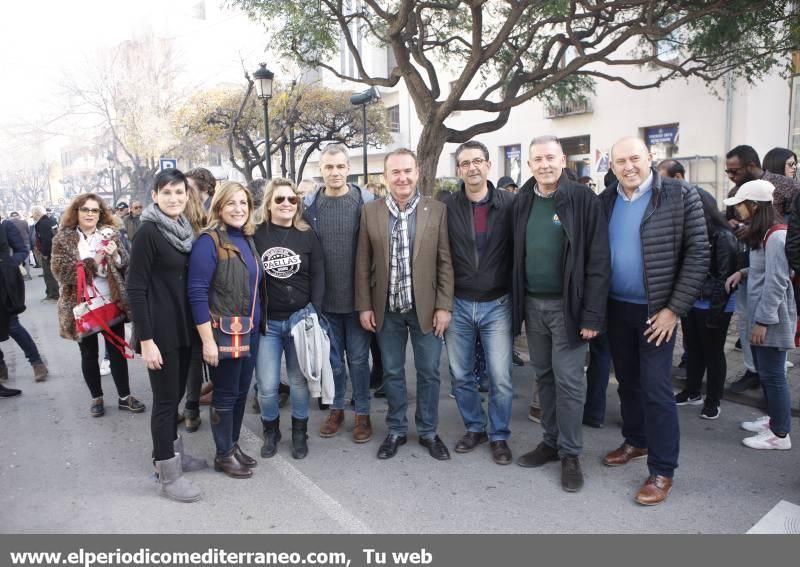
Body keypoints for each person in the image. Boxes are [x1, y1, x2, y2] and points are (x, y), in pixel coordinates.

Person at [599, 137, 708, 506]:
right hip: (616, 308)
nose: (628, 166)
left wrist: (674, 309)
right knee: (627, 380)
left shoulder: (679, 194)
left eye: (635, 158)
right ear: (611, 167)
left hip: (657, 312)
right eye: (620, 161)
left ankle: (663, 470)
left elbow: (698, 254)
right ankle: (636, 440)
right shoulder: (606, 200)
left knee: (656, 387)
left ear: (650, 158)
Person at [511, 135, 610, 492]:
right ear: (529, 165)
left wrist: (592, 316)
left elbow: (598, 260)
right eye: (537, 159)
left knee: (569, 382)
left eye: (551, 158)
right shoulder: (521, 201)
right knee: (545, 378)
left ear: (562, 159)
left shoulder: (583, 199)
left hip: (568, 309)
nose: (545, 165)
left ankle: (570, 453)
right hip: (532, 307)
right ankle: (550, 443)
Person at [355, 148, 454, 460]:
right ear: (386, 177)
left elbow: (445, 262)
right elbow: (363, 262)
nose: (402, 177)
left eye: (407, 171)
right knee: (393, 373)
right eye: (395, 172)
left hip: (425, 308)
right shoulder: (370, 212)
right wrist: (365, 306)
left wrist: (443, 306)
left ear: (417, 173)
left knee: (429, 372)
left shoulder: (436, 210)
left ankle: (428, 431)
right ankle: (396, 428)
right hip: (386, 309)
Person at [127, 169, 207, 502]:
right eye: (167, 192)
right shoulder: (148, 232)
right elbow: (135, 287)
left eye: (180, 192)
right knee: (164, 403)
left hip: (183, 327)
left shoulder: (183, 229)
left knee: (173, 398)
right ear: (155, 196)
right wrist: (145, 341)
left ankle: (173, 456)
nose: (175, 198)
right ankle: (168, 477)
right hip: (159, 332)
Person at [444, 140, 515, 466]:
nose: (471, 167)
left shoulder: (511, 205)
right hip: (458, 303)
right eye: (465, 163)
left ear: (488, 165)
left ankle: (499, 435)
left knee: (500, 377)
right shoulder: (447, 207)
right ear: (458, 170)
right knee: (461, 376)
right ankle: (475, 427)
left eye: (477, 161)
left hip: (497, 304)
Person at [188, 181, 264, 479]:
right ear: (219, 207)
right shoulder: (209, 242)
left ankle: (232, 446)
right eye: (231, 203)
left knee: (241, 391)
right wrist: (207, 341)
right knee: (225, 393)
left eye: (243, 203)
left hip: (251, 330)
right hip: (225, 332)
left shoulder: (247, 238)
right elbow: (196, 292)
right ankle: (223, 454)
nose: (238, 209)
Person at [51, 193, 146, 417]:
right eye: (85, 210)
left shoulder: (110, 235)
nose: (90, 214)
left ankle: (124, 397)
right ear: (76, 212)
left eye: (95, 210)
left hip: (110, 302)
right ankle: (97, 398)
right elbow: (61, 272)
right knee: (88, 354)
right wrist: (91, 264)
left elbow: (126, 265)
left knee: (118, 351)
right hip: (81, 306)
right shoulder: (63, 239)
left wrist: (115, 256)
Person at [304, 144, 375, 442]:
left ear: (348, 168)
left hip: (358, 300)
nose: (334, 172)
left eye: (340, 167)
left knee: (359, 360)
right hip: (324, 301)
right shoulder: (310, 207)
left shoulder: (365, 204)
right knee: (332, 361)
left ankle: (363, 414)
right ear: (321, 170)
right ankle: (336, 409)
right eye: (329, 167)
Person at [254, 178, 325, 459]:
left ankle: (299, 433)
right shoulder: (256, 234)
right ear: (269, 203)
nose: (286, 204)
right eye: (280, 199)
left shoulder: (307, 234)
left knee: (298, 382)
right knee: (268, 386)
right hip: (268, 323)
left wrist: (314, 309)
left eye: (292, 200)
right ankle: (271, 431)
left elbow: (319, 273)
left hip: (300, 321)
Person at [725, 180, 794, 450]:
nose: (737, 212)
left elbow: (777, 280)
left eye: (740, 205)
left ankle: (780, 434)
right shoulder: (766, 234)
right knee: (767, 373)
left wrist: (763, 321)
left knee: (774, 374)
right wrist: (742, 273)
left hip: (771, 318)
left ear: (754, 205)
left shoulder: (776, 236)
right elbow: (766, 271)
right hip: (764, 315)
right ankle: (774, 420)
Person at [673, 188, 737, 420]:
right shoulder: (691, 234)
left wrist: (714, 312)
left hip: (715, 305)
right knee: (693, 350)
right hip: (692, 302)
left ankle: (713, 399)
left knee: (713, 353)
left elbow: (725, 278)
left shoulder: (723, 236)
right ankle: (692, 392)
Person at [179, 172, 210, 432]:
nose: (181, 194)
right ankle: (187, 407)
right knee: (186, 357)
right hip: (174, 300)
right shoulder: (158, 225)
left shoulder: (205, 225)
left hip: (198, 299)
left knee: (193, 356)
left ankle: (190, 408)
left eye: (185, 189)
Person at [31, 206, 59, 301]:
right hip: (54, 250)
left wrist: (45, 253)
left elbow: (46, 239)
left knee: (49, 274)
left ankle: (53, 294)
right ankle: (52, 293)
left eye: (33, 215)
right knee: (51, 273)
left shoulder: (42, 224)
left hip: (49, 252)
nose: (33, 217)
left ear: (37, 214)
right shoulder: (50, 221)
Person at [6, 212, 32, 280]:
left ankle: (18, 275)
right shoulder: (24, 222)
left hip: (13, 244)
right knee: (26, 260)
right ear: (19, 216)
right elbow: (28, 231)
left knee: (15, 260)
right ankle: (27, 275)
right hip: (25, 242)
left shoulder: (8, 224)